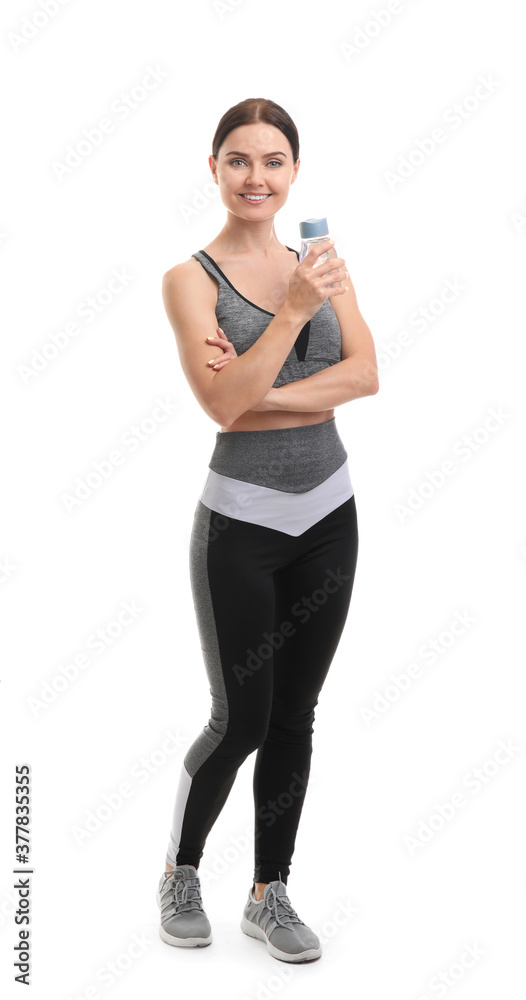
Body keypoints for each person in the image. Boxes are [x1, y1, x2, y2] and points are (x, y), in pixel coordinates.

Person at [158, 97, 379, 964]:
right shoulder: (190, 280)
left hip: (330, 514)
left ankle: (268, 892)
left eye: (275, 161)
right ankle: (180, 869)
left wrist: (259, 394)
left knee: (296, 717)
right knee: (239, 719)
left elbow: (364, 376)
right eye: (240, 160)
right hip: (241, 526)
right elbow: (217, 406)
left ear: (295, 173)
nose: (258, 177)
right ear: (213, 168)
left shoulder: (321, 262)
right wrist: (288, 315)